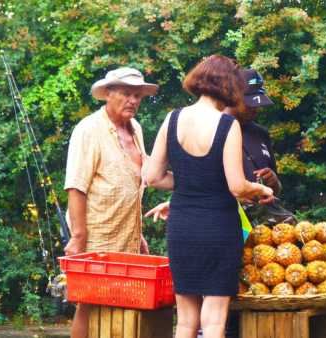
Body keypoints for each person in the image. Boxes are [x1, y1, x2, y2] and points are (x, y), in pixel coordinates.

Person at [146, 55, 274, 338]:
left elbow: (153, 177)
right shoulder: (228, 126)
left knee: (185, 321)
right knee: (214, 320)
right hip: (218, 226)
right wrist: (263, 189)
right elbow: (237, 186)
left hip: (182, 226)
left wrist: (192, 182)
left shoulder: (172, 118)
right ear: (230, 87)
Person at [64, 67, 158, 338]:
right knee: (89, 304)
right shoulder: (89, 129)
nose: (133, 100)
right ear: (107, 94)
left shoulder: (136, 128)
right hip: (97, 232)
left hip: (126, 234)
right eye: (127, 94)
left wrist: (137, 233)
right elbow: (76, 185)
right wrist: (78, 236)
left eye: (138, 95)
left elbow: (135, 181)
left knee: (121, 306)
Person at [225, 68, 281, 195]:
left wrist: (274, 181)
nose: (255, 108)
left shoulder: (261, 133)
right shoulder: (212, 130)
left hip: (264, 211)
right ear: (233, 96)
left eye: (258, 103)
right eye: (250, 103)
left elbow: (276, 190)